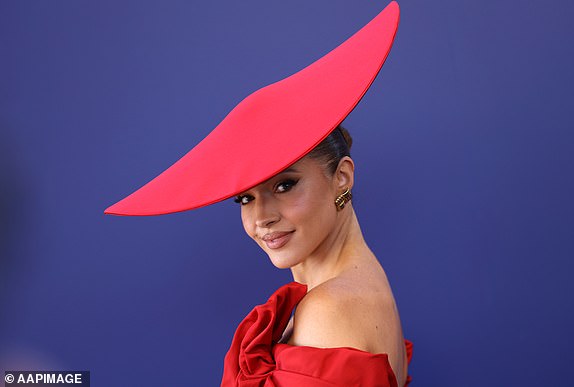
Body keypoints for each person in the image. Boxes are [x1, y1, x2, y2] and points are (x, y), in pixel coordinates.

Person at [105, 2, 412, 385]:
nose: (261, 216)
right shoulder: (358, 286)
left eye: (285, 185)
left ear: (342, 177)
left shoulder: (330, 310)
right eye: (245, 198)